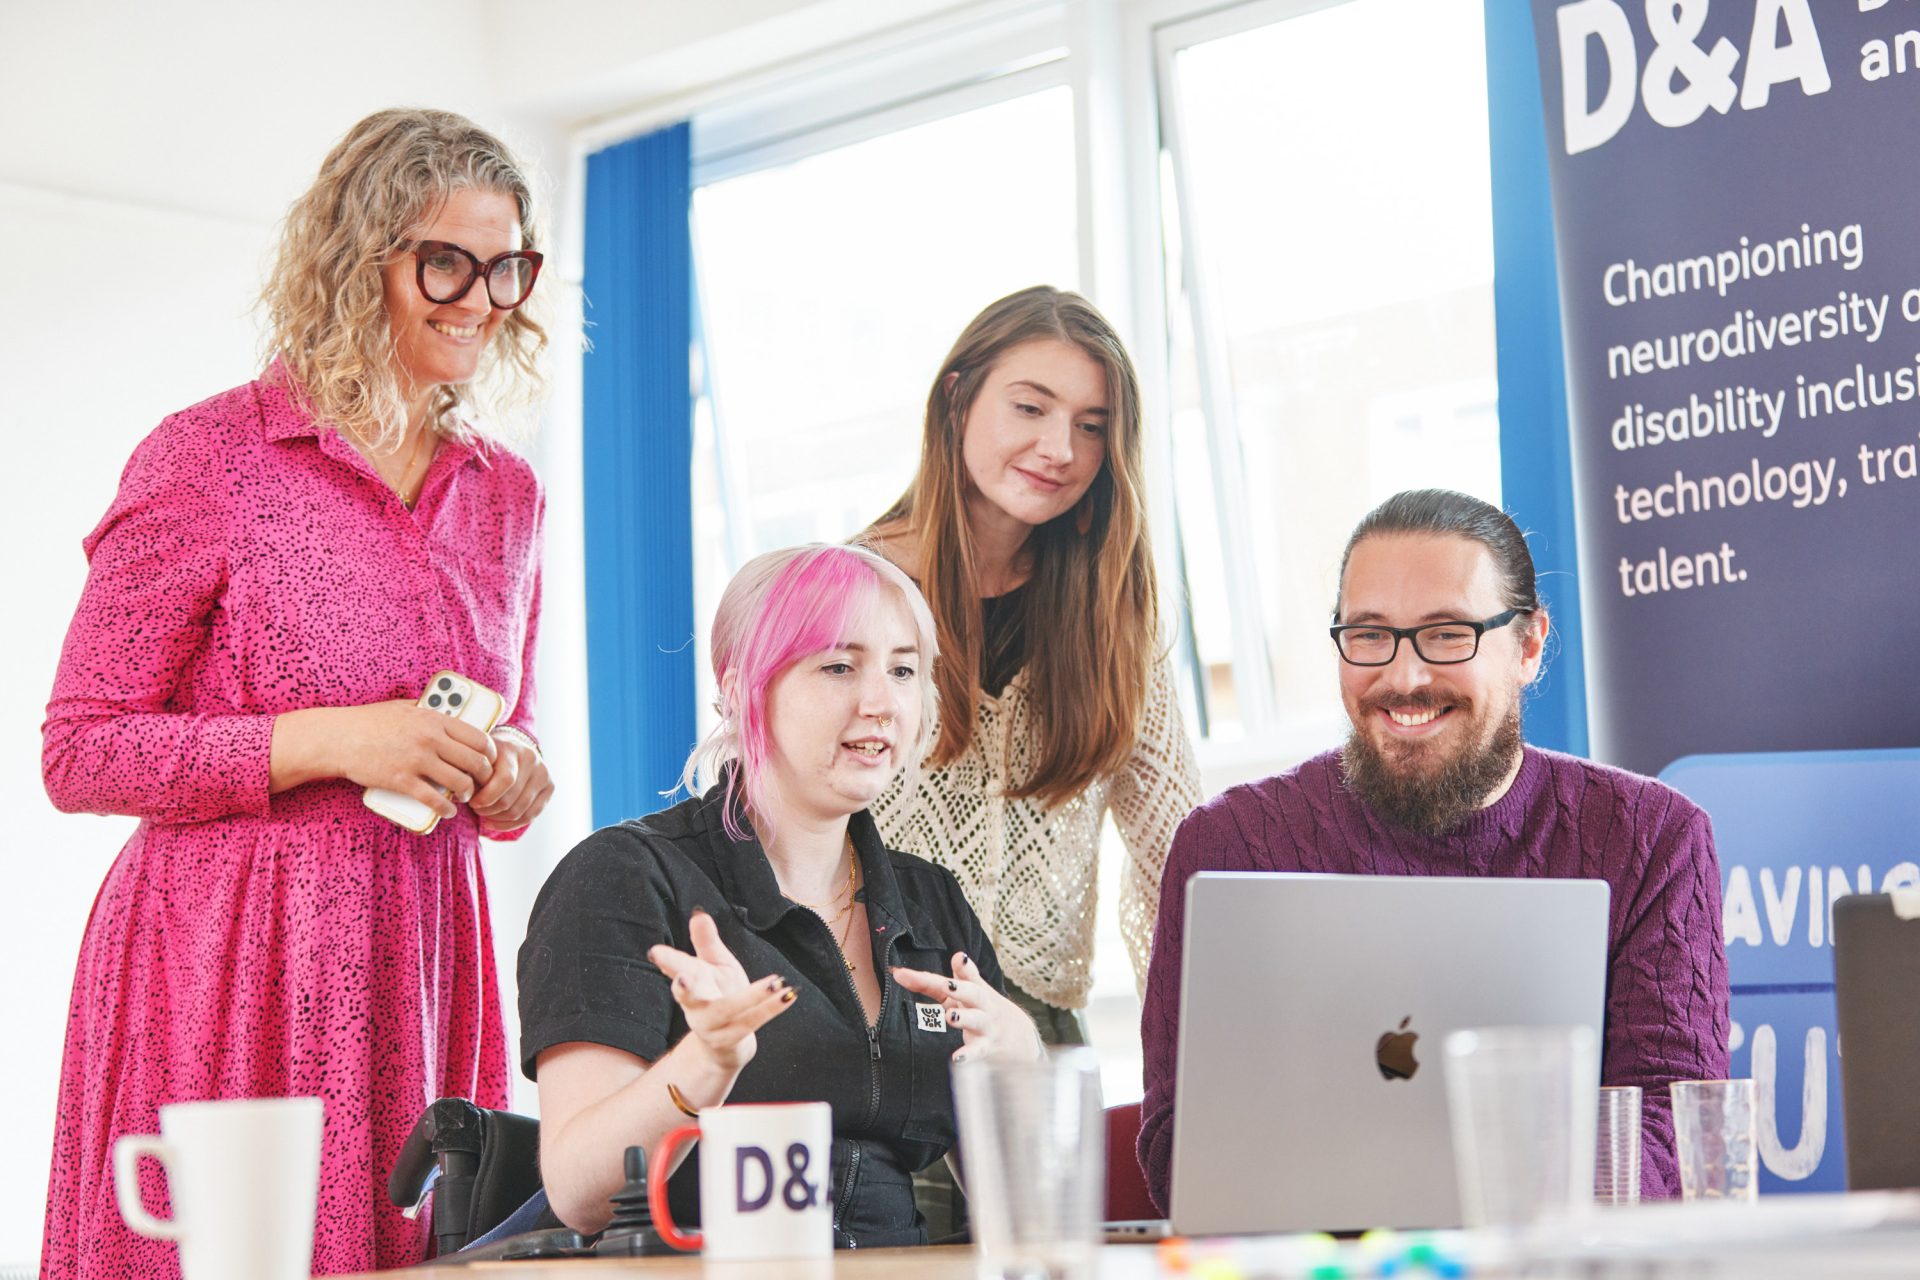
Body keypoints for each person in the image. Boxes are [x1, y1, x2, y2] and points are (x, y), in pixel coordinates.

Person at [40, 108, 555, 1277]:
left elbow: (496, 712)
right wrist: (331, 740)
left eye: (507, 265)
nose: (481, 296)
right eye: (446, 261)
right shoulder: (210, 455)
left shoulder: (508, 493)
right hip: (226, 959)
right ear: (353, 259)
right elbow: (81, 751)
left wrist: (514, 769)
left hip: (419, 957)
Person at [1138, 488, 1730, 1211]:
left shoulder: (1653, 838)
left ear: (1530, 644)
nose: (1404, 676)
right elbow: (1182, 1147)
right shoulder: (1227, 844)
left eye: (1448, 634)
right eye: (1369, 635)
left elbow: (1668, 1136)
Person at [518, 543, 1041, 1248]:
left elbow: (1025, 1221)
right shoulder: (624, 878)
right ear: (740, 691)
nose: (882, 703)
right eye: (838, 666)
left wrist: (1020, 1068)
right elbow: (579, 1191)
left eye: (904, 669)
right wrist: (704, 1065)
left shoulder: (931, 903)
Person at [863, 286, 1202, 1042]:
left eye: (1092, 426)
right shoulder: (849, 594)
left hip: (1039, 1028)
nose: (1062, 449)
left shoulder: (1115, 614)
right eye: (1030, 408)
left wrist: (1189, 1053)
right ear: (956, 400)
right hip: (875, 1026)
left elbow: (1173, 857)